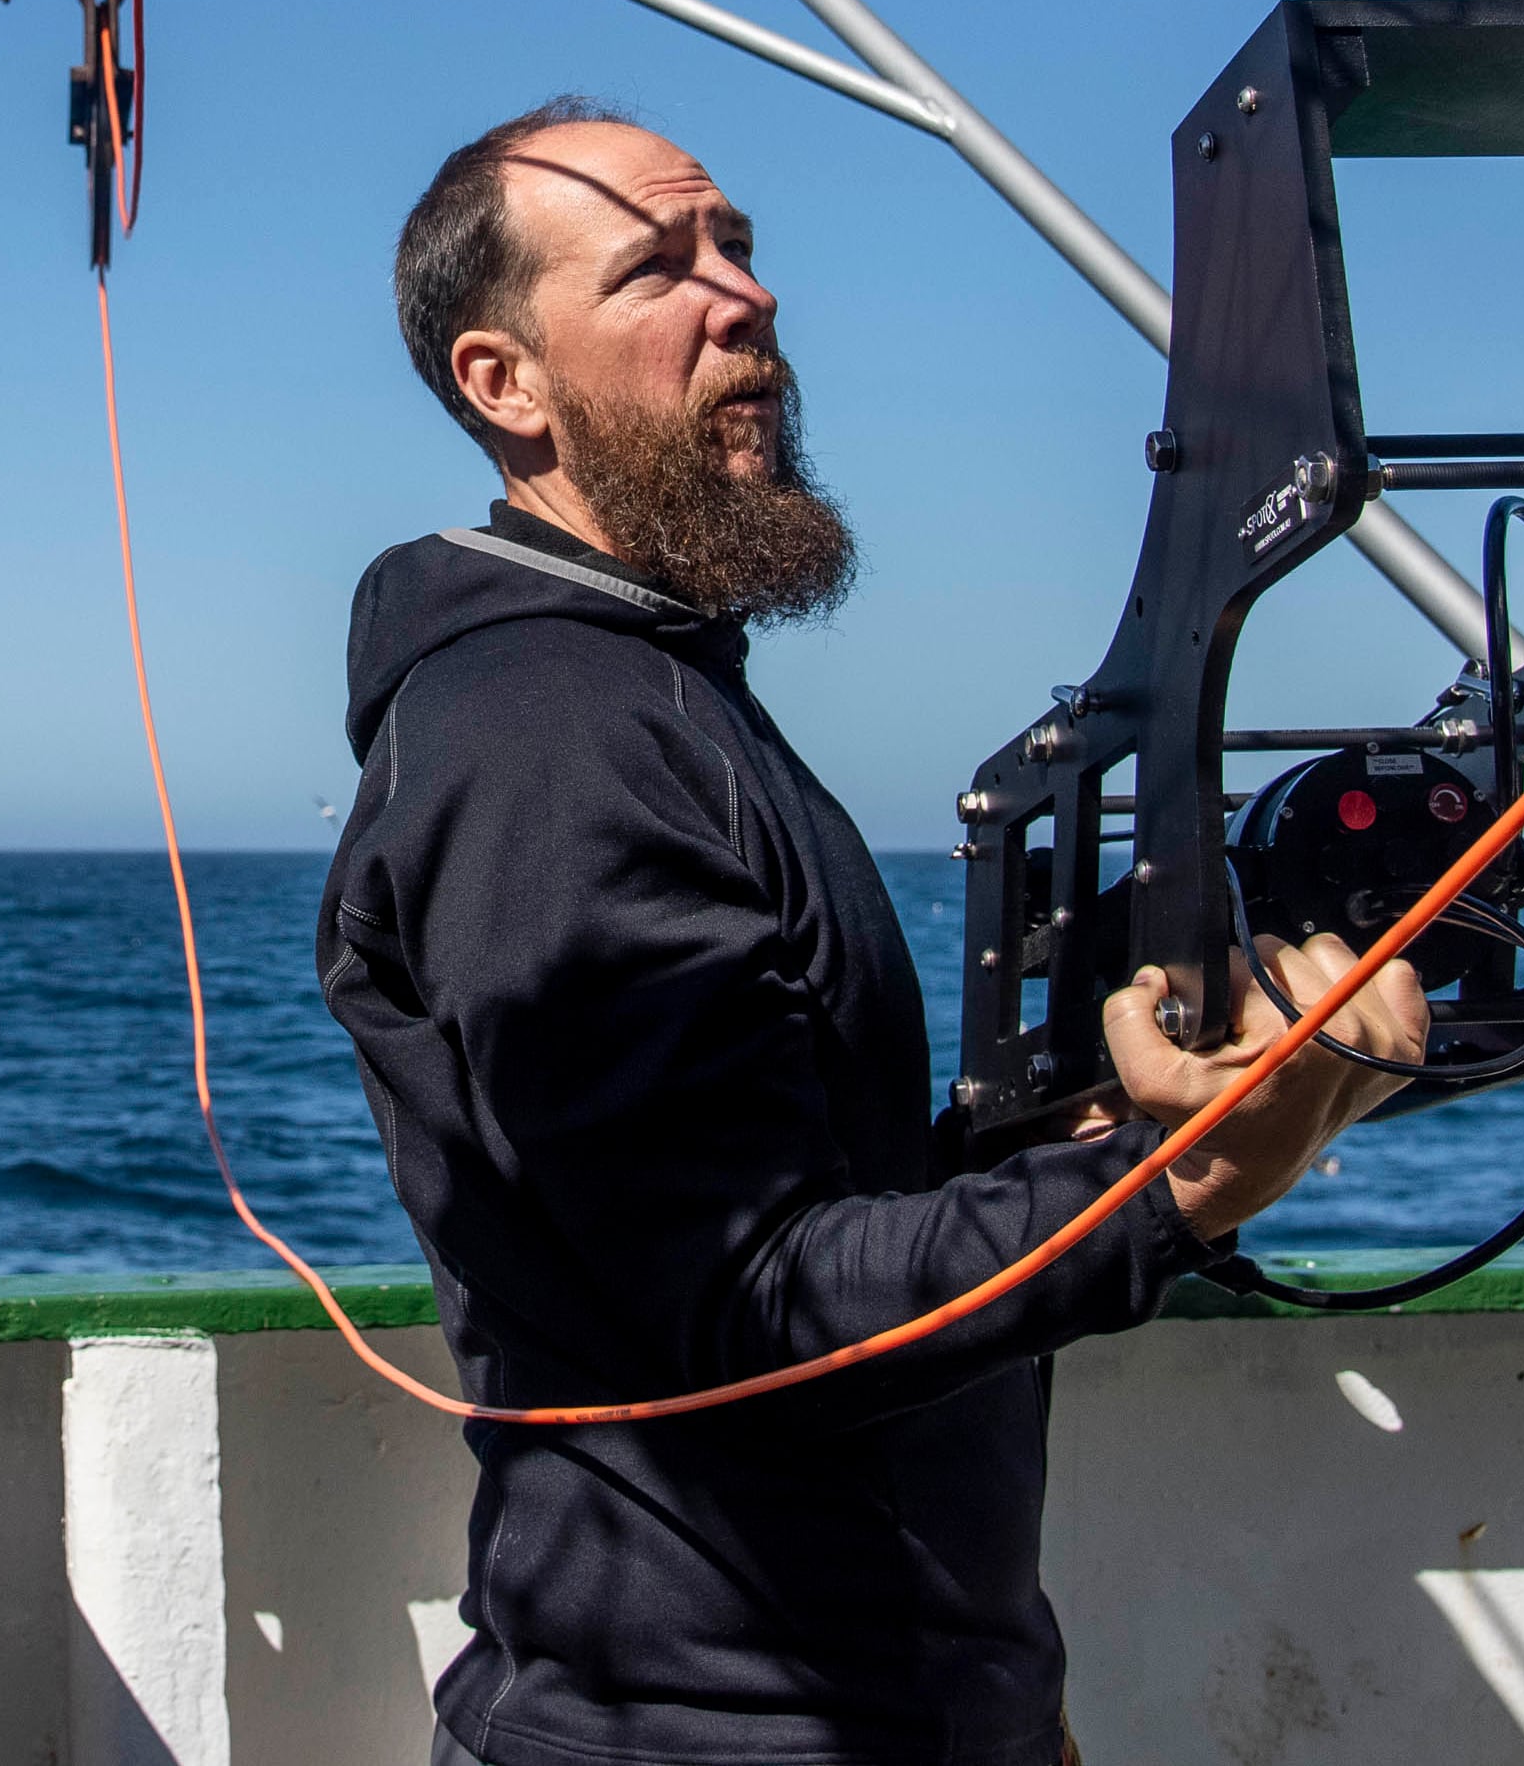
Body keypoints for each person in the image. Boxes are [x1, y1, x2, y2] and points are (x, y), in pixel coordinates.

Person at [322, 100, 1429, 1766]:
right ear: (505, 383)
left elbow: (789, 1196)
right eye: (655, 270)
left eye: (738, 248)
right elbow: (745, 1306)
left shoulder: (659, 696)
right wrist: (1186, 1180)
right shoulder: (551, 737)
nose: (743, 300)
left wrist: (1088, 1129)